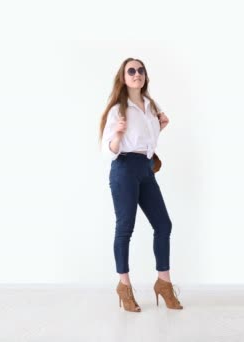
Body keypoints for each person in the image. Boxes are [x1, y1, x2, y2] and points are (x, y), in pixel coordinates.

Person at [98, 57, 183, 312]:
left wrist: (160, 126)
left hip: (146, 170)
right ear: (123, 78)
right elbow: (108, 150)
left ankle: (164, 283)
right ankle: (124, 286)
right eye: (131, 71)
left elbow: (147, 142)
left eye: (141, 70)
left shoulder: (150, 105)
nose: (137, 74)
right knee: (125, 227)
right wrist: (117, 136)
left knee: (163, 224)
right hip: (124, 169)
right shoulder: (117, 110)